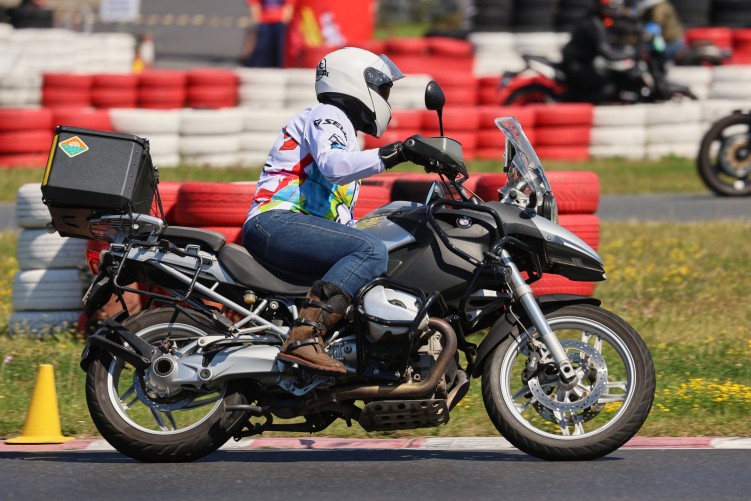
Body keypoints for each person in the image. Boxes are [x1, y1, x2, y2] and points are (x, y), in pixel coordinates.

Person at [242, 47, 424, 373]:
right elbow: (333, 165)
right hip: (277, 219)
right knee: (370, 251)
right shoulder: (327, 115)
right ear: (356, 82)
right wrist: (398, 152)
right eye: (383, 89)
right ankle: (303, 336)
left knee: (381, 249)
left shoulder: (344, 134)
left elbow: (338, 211)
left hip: (291, 225)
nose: (386, 99)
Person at [560, 0, 640, 104]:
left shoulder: (599, 19)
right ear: (603, 7)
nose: (615, 10)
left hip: (584, 62)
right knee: (607, 88)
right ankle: (578, 104)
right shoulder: (594, 23)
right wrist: (631, 52)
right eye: (612, 7)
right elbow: (607, 52)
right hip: (576, 64)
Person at [244, 0, 296, 68]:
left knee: (280, 48)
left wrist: (286, 16)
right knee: (263, 47)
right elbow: (254, 3)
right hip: (264, 21)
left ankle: (279, 67)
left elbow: (289, 4)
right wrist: (257, 17)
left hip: (280, 21)